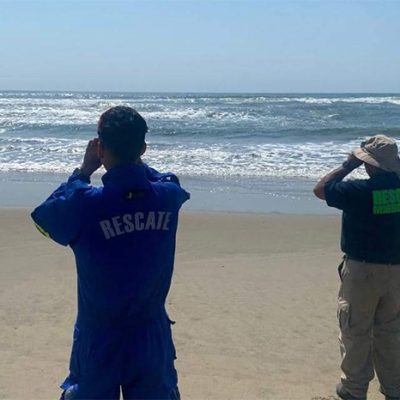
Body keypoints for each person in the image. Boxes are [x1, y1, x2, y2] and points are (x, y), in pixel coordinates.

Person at [31, 106, 190, 400]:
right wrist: (134, 166)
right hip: (149, 336)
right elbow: (169, 179)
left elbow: (44, 220)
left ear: (101, 149)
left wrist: (82, 172)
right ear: (143, 148)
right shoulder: (167, 197)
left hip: (98, 337)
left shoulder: (84, 204)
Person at [313, 134, 400, 400]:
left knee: (355, 330)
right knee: (391, 332)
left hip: (362, 271)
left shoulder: (359, 191)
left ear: (370, 164)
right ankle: (394, 388)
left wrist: (349, 164)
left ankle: (354, 388)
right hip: (396, 270)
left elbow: (321, 189)